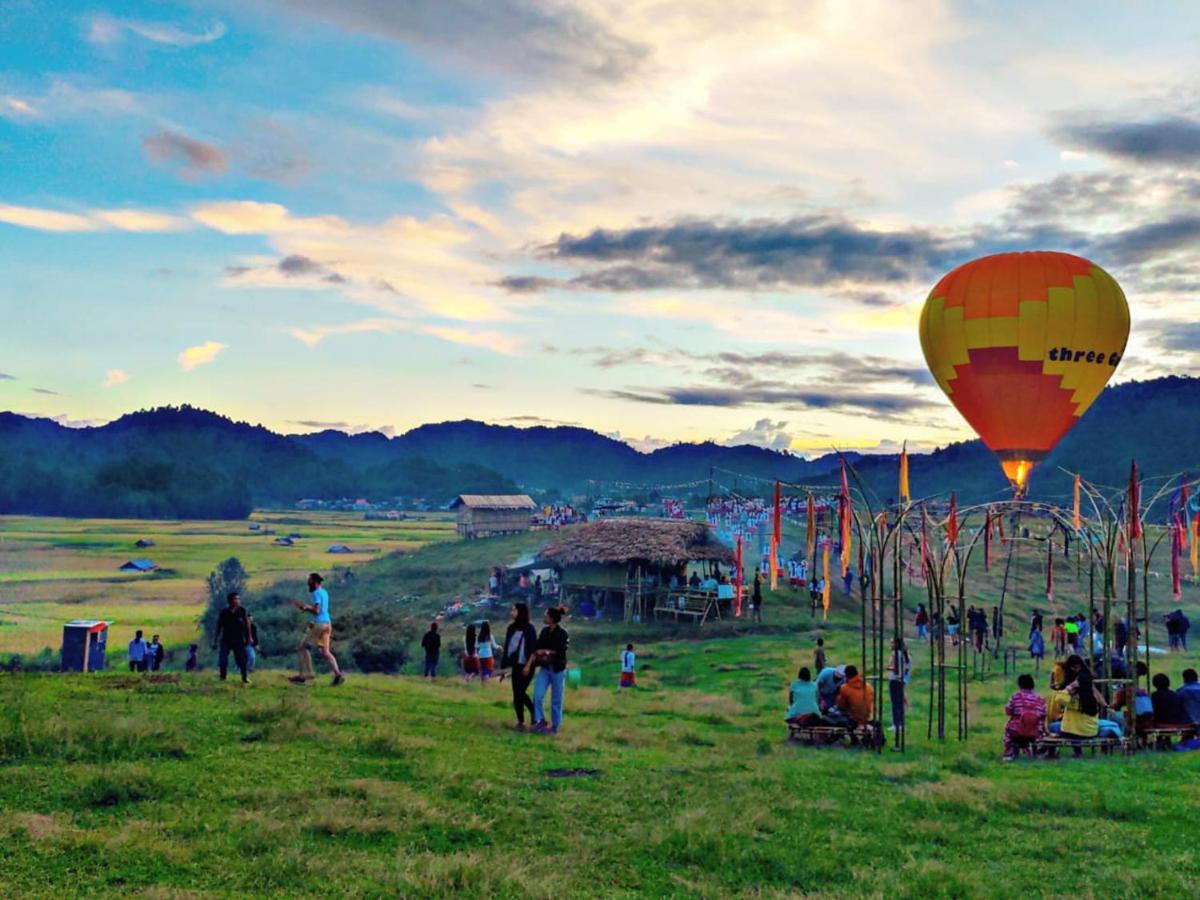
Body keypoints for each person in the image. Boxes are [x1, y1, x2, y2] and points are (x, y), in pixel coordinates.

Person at [289, 572, 345, 686]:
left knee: (302, 647)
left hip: (319, 624)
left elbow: (317, 611)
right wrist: (307, 607)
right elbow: (320, 609)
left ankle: (305, 674)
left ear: (315, 582)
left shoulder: (315, 593)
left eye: (309, 581)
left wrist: (306, 608)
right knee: (325, 651)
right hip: (327, 623)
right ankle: (338, 674)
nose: (308, 583)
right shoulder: (324, 592)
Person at [529, 606, 570, 735]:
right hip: (545, 668)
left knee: (556, 699)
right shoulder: (544, 631)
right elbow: (537, 645)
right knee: (537, 695)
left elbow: (561, 650)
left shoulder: (563, 634)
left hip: (557, 669)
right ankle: (539, 720)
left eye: (546, 615)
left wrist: (546, 651)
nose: (544, 617)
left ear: (552, 618)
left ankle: (555, 726)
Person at [501, 602, 538, 730]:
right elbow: (507, 647)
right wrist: (504, 667)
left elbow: (534, 649)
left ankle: (534, 714)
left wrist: (528, 666)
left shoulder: (530, 629)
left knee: (521, 692)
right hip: (516, 664)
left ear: (520, 612)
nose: (512, 613)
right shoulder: (511, 628)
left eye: (514, 610)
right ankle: (520, 721)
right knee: (516, 694)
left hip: (527, 665)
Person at [1002, 674, 1047, 760]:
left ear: (1019, 685)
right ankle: (1034, 752)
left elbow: (1008, 711)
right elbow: (1044, 714)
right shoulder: (1040, 698)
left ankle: (1009, 752)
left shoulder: (1016, 697)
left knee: (1009, 728)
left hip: (1017, 730)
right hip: (1035, 731)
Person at [213, 591, 251, 684]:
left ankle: (244, 677)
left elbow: (247, 624)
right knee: (223, 659)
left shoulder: (242, 610)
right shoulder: (224, 612)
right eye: (235, 599)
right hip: (226, 639)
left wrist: (249, 637)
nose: (237, 601)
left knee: (242, 659)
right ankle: (223, 677)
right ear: (229, 601)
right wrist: (214, 640)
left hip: (239, 639)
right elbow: (219, 626)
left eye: (238, 599)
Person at [886, 638, 909, 741]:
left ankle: (896, 724)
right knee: (899, 703)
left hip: (894, 680)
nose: (890, 644)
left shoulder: (895, 654)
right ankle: (901, 723)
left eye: (892, 642)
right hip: (899, 680)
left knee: (895, 703)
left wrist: (888, 668)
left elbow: (895, 667)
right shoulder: (903, 654)